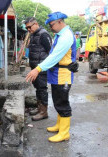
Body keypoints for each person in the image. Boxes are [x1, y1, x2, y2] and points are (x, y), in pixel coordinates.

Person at [25, 12, 77, 143]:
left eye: (52, 25)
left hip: (63, 74)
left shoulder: (66, 36)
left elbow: (54, 56)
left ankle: (64, 133)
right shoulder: (60, 35)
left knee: (62, 103)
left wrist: (38, 69)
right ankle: (60, 126)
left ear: (60, 22)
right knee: (57, 100)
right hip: (56, 73)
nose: (50, 27)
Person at [25, 17, 52, 121]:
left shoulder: (44, 34)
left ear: (35, 24)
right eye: (27, 28)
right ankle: (39, 108)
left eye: (29, 27)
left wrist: (45, 67)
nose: (28, 29)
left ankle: (43, 112)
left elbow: (50, 52)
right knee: (37, 88)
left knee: (42, 89)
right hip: (34, 68)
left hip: (41, 68)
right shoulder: (33, 35)